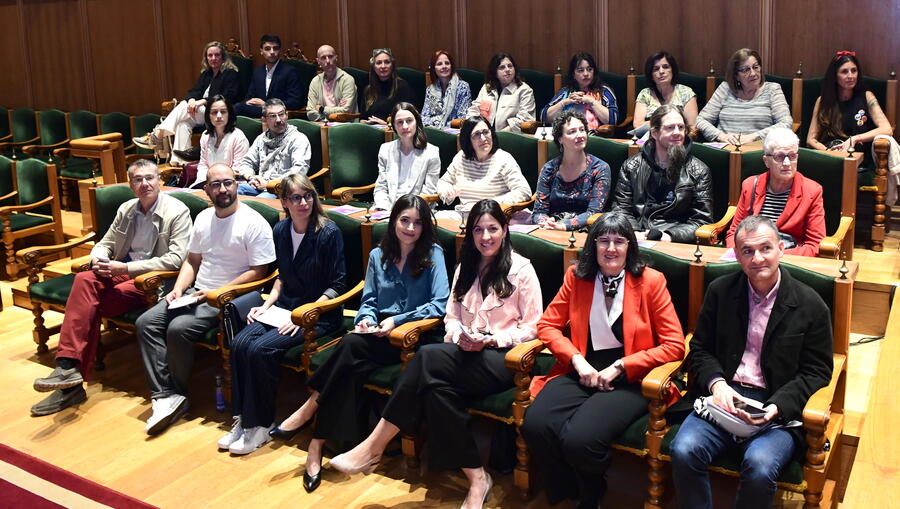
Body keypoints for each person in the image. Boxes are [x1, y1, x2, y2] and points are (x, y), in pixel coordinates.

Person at [328, 199, 543, 508]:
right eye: (478, 230)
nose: (485, 237)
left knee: (426, 357)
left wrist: (491, 340)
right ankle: (477, 478)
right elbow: (451, 317)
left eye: (492, 229)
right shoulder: (465, 268)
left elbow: (534, 327)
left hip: (505, 360)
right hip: (464, 354)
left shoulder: (521, 270)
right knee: (435, 390)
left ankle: (374, 446)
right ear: (470, 234)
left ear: (505, 230)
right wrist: (460, 335)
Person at [270, 194, 449, 492]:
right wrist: (365, 320)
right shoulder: (378, 255)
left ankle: (310, 412)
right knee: (350, 353)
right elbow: (368, 302)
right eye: (404, 220)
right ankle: (316, 445)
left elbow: (439, 304)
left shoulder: (433, 254)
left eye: (418, 223)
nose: (410, 228)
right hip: (377, 337)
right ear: (393, 221)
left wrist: (397, 320)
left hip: (413, 339)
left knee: (349, 350)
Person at [521, 212, 685, 508]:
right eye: (604, 241)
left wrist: (622, 366)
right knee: (535, 423)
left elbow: (675, 346)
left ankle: (592, 492)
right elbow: (547, 325)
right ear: (592, 246)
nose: (611, 249)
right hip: (582, 367)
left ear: (629, 247)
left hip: (631, 378)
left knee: (580, 438)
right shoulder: (577, 276)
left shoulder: (651, 281)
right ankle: (568, 488)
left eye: (619, 241)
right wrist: (575, 360)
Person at [670, 215, 833, 509]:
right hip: (724, 396)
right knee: (683, 449)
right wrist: (717, 385)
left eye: (765, 249)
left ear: (781, 249)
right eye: (747, 251)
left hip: (775, 406)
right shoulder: (720, 291)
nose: (757, 258)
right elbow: (700, 348)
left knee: (759, 465)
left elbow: (817, 370)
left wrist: (777, 406)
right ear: (738, 255)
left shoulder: (811, 304)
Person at [30, 160, 192, 416]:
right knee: (84, 280)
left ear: (159, 180)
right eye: (138, 179)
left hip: (150, 281)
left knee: (85, 307)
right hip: (121, 271)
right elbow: (105, 243)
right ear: (130, 185)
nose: (145, 184)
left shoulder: (177, 211)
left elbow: (176, 259)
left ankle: (70, 382)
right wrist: (99, 258)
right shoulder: (127, 208)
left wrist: (124, 269)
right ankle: (66, 368)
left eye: (149, 178)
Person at [135, 163, 276, 436]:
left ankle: (176, 391)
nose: (223, 189)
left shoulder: (253, 221)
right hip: (194, 294)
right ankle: (166, 395)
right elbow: (193, 260)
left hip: (228, 298)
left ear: (236, 184)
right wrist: (178, 289)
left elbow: (260, 271)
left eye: (228, 182)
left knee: (178, 329)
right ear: (206, 189)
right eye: (215, 184)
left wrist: (216, 292)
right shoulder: (203, 218)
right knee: (146, 323)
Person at [217, 174, 345, 455]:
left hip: (316, 316)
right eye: (296, 198)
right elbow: (282, 277)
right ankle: (242, 420)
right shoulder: (281, 230)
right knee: (239, 342)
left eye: (308, 196)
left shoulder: (328, 232)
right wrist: (267, 304)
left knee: (261, 350)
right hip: (283, 309)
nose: (304, 203)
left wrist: (299, 314)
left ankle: (260, 424)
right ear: (285, 202)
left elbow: (337, 284)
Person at [612, 104, 713, 243]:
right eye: (670, 127)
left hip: (674, 240)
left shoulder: (698, 170)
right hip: (638, 235)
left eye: (681, 127)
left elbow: (702, 220)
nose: (677, 132)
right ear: (654, 133)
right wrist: (634, 233)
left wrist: (670, 236)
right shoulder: (631, 166)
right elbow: (621, 210)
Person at [133, 41, 240, 165]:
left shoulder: (231, 73)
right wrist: (192, 100)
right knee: (183, 124)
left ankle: (158, 135)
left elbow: (228, 96)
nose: (213, 58)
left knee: (184, 106)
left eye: (217, 55)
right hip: (201, 113)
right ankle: (179, 162)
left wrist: (202, 101)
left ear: (223, 57)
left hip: (218, 113)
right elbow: (193, 91)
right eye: (210, 56)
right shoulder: (206, 74)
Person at [725, 127, 825, 256]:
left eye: (792, 156)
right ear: (766, 161)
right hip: (751, 258)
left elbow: (815, 244)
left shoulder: (812, 191)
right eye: (779, 156)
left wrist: (774, 256)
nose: (787, 163)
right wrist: (740, 255)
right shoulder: (750, 185)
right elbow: (735, 232)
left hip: (789, 259)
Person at [807, 51, 893, 169]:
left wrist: (854, 139)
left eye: (854, 70)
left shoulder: (867, 97)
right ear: (835, 76)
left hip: (858, 159)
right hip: (831, 157)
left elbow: (887, 129)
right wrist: (829, 152)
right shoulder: (823, 101)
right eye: (844, 71)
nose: (851, 76)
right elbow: (810, 139)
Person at [436, 116, 532, 218]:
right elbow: (443, 182)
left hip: (497, 215)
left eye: (486, 132)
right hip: (467, 215)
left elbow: (524, 191)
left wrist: (489, 205)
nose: (483, 138)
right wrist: (447, 190)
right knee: (435, 218)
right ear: (468, 140)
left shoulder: (504, 158)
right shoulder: (461, 157)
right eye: (476, 134)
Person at [532, 110, 611, 230]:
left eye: (582, 130)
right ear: (560, 139)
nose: (580, 135)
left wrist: (564, 226)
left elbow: (594, 212)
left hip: (586, 229)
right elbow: (539, 211)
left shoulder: (600, 168)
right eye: (572, 132)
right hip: (551, 228)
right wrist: (546, 223)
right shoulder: (549, 169)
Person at [696, 48, 793, 145]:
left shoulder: (772, 89)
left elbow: (786, 122)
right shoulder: (725, 89)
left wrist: (754, 137)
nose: (753, 73)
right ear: (736, 75)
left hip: (758, 151)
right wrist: (721, 136)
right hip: (725, 149)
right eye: (745, 70)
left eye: (755, 67)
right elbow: (701, 120)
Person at [235, 98, 311, 197]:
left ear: (287, 115)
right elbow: (246, 162)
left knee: (260, 200)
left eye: (281, 114)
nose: (279, 120)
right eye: (272, 116)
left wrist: (269, 184)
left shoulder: (298, 139)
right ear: (264, 119)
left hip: (283, 188)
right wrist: (251, 178)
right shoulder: (261, 139)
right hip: (260, 184)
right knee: (233, 192)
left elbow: (299, 171)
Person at [372, 102, 441, 211]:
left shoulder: (431, 152)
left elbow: (430, 192)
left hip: (417, 211)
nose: (405, 126)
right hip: (388, 209)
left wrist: (407, 213)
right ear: (394, 126)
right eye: (399, 122)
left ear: (417, 122)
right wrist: (383, 208)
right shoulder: (385, 150)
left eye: (409, 121)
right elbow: (381, 187)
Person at [541, 52, 619, 131]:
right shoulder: (566, 92)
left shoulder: (604, 91)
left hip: (596, 138)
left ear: (594, 72)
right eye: (580, 70)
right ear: (573, 75)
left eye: (589, 69)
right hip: (568, 137)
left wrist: (591, 101)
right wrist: (565, 102)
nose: (586, 74)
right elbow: (544, 117)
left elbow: (613, 119)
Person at [233, 34, 301, 119]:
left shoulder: (289, 71)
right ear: (261, 51)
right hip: (259, 112)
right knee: (234, 107)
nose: (272, 52)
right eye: (267, 49)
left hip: (278, 114)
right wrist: (248, 102)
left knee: (238, 108)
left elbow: (295, 102)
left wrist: (266, 104)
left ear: (279, 50)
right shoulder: (257, 72)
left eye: (275, 48)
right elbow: (249, 96)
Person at [466, 53, 535, 132]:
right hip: (484, 134)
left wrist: (499, 135)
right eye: (502, 67)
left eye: (510, 66)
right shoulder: (486, 88)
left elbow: (525, 119)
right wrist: (476, 128)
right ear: (495, 73)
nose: (507, 69)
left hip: (509, 137)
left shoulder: (524, 90)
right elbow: (474, 110)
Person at [633, 51, 698, 133]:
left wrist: (653, 124)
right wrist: (672, 124)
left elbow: (692, 126)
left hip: (678, 139)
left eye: (666, 67)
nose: (661, 71)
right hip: (651, 139)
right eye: (656, 69)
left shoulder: (686, 92)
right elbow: (638, 124)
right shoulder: (645, 94)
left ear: (673, 71)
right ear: (651, 75)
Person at [192, 95, 249, 188]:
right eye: (214, 112)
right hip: (207, 184)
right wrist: (204, 183)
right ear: (208, 116)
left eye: (223, 112)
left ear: (229, 114)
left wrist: (216, 183)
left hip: (231, 185)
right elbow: (203, 165)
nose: (218, 116)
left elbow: (238, 170)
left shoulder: (238, 137)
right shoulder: (205, 136)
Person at [359, 48, 415, 125]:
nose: (383, 66)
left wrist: (386, 124)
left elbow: (409, 117)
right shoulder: (368, 89)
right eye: (378, 63)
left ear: (392, 65)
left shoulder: (403, 87)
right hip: (370, 130)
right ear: (373, 67)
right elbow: (362, 117)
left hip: (392, 131)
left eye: (387, 62)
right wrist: (364, 122)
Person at [306, 44, 358, 122]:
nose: (327, 61)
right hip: (321, 124)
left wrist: (321, 109)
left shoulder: (347, 80)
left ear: (336, 58)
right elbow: (310, 112)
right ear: (318, 61)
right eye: (323, 58)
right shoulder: (315, 81)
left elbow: (346, 111)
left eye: (330, 56)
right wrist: (329, 117)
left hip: (345, 126)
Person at [421, 50, 472, 128]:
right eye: (439, 64)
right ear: (434, 68)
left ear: (451, 66)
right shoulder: (430, 89)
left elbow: (462, 117)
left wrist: (441, 126)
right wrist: (434, 126)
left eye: (447, 63)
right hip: (433, 129)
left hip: (453, 130)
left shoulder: (463, 87)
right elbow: (424, 116)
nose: (444, 66)